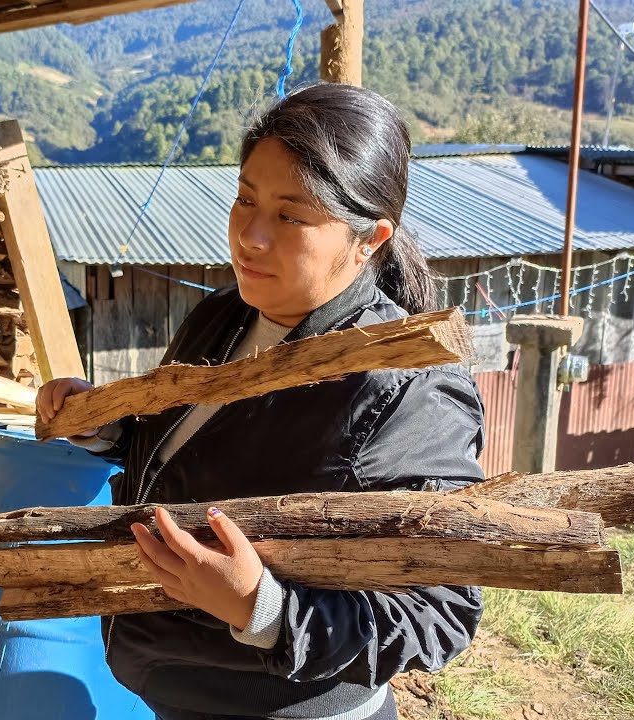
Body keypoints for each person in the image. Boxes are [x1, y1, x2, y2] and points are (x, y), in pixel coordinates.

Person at [37, 83, 487, 720]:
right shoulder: (222, 317)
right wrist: (104, 427)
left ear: (370, 238)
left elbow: (439, 612)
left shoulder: (407, 385)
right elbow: (187, 452)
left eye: (291, 216)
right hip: (174, 692)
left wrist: (263, 608)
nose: (250, 236)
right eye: (245, 199)